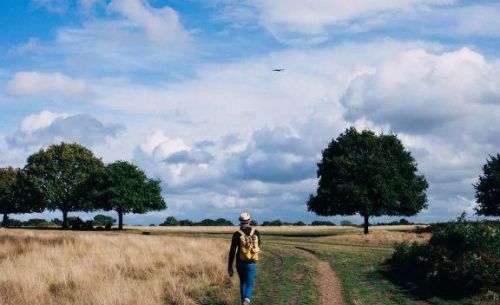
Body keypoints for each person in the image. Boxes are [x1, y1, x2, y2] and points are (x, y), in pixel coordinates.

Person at [228, 212, 261, 305]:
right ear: (249, 220)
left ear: (240, 221)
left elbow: (232, 252)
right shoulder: (256, 233)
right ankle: (246, 300)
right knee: (249, 283)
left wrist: (230, 266)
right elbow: (257, 246)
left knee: (243, 282)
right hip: (251, 262)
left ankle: (243, 301)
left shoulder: (236, 234)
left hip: (240, 262)